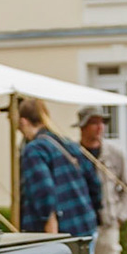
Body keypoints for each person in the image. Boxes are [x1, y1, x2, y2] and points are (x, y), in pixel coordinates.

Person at [16, 97, 100, 244]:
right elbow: (94, 183)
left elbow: (44, 193)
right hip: (85, 227)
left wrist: (52, 237)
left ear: (23, 121)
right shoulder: (68, 143)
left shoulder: (34, 149)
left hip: (61, 234)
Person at [76, 106, 127, 254]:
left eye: (102, 122)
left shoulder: (115, 153)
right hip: (79, 227)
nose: (99, 127)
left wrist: (121, 216)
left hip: (107, 225)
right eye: (94, 122)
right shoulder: (73, 153)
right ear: (83, 126)